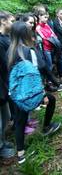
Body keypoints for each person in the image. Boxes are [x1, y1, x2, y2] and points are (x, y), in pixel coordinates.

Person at [8, 21, 61, 164]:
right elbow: (35, 75)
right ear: (26, 34)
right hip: (29, 93)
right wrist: (42, 94)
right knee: (52, 100)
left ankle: (21, 155)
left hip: (15, 93)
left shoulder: (10, 51)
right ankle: (46, 127)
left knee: (20, 121)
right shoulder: (28, 51)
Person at [0, 11, 15, 159]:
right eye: (11, 21)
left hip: (5, 84)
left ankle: (3, 141)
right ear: (3, 21)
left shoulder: (6, 38)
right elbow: (4, 64)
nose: (13, 23)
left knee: (6, 116)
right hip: (2, 84)